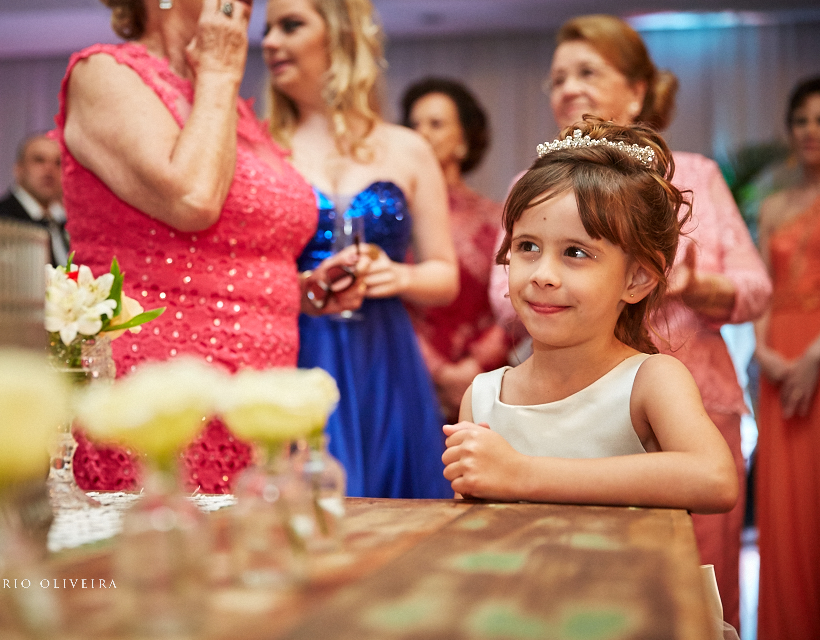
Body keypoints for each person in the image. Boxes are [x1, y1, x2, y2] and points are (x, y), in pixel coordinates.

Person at [487, 16, 771, 628]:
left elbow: (756, 288)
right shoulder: (531, 188)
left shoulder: (696, 174)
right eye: (558, 77)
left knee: (692, 571)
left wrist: (699, 288)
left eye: (587, 71)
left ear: (638, 91)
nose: (568, 87)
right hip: (556, 386)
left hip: (682, 397)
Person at [56, 0, 366, 493]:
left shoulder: (230, 105)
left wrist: (301, 290)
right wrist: (220, 72)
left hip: (255, 401)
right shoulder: (104, 74)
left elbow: (232, 252)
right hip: (161, 401)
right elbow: (192, 199)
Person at [445, 118, 738, 518]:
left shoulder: (650, 382)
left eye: (576, 253)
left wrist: (524, 474)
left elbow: (714, 479)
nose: (543, 275)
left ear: (637, 279)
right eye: (528, 246)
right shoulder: (482, 398)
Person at [262, 0, 459, 499]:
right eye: (267, 30)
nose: (269, 43)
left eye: (290, 26)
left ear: (339, 35)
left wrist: (401, 277)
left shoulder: (407, 148)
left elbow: (445, 274)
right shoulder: (261, 147)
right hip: (297, 347)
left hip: (384, 353)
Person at [753, 75, 820, 640]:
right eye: (802, 120)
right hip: (780, 359)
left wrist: (816, 352)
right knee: (785, 508)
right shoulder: (774, 204)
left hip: (818, 350)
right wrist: (763, 353)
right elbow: (761, 288)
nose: (810, 131)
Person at [400, 77, 509, 422]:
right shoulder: (396, 220)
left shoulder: (496, 218)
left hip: (486, 381)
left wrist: (475, 365)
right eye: (414, 124)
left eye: (436, 123)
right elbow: (393, 304)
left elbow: (510, 301)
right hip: (411, 376)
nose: (422, 134)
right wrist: (438, 371)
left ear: (463, 138)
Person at [0, 132, 69, 266]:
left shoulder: (69, 225)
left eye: (58, 163)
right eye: (39, 160)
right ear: (19, 169)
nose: (49, 170)